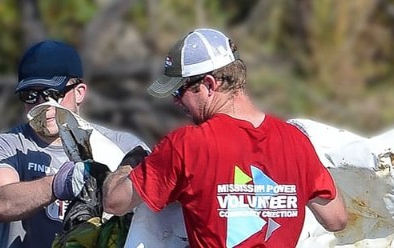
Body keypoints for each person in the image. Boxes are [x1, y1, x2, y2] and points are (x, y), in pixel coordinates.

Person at [98, 28, 348, 248]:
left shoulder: (187, 144)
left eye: (179, 90)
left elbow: (114, 202)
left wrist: (129, 165)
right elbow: (336, 219)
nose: (176, 101)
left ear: (208, 84)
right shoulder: (296, 141)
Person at [0, 40, 147, 248]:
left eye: (52, 94)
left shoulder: (124, 147)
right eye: (31, 95)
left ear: (80, 92)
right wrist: (60, 184)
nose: (43, 105)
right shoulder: (4, 148)